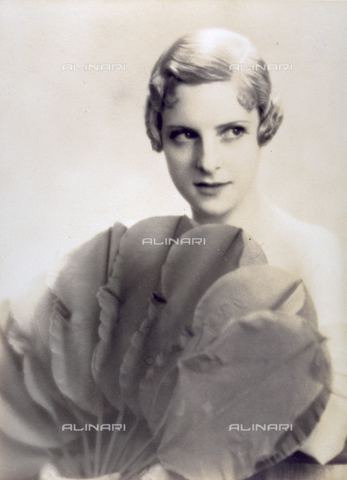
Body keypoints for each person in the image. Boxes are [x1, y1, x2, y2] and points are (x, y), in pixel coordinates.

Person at [0, 28, 346, 480]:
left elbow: (334, 427)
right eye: (185, 135)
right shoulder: (143, 261)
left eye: (232, 132)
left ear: (264, 125)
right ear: (156, 133)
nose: (208, 160)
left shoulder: (308, 248)